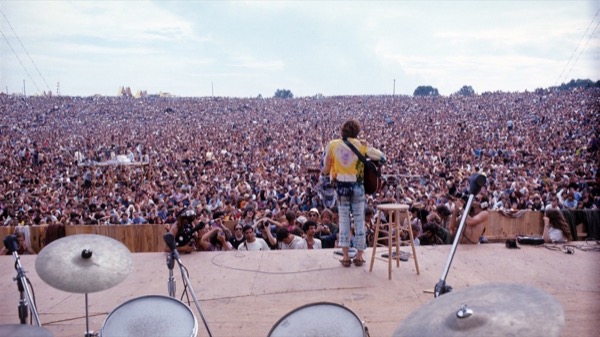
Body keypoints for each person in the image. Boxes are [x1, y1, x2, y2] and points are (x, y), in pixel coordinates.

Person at [322, 119, 386, 267]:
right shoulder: (361, 145)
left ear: (342, 130)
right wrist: (365, 146)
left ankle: (345, 257)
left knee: (344, 221)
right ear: (357, 131)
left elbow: (325, 168)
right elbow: (382, 157)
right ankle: (359, 256)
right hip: (358, 186)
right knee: (359, 220)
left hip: (342, 187)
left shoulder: (333, 145)